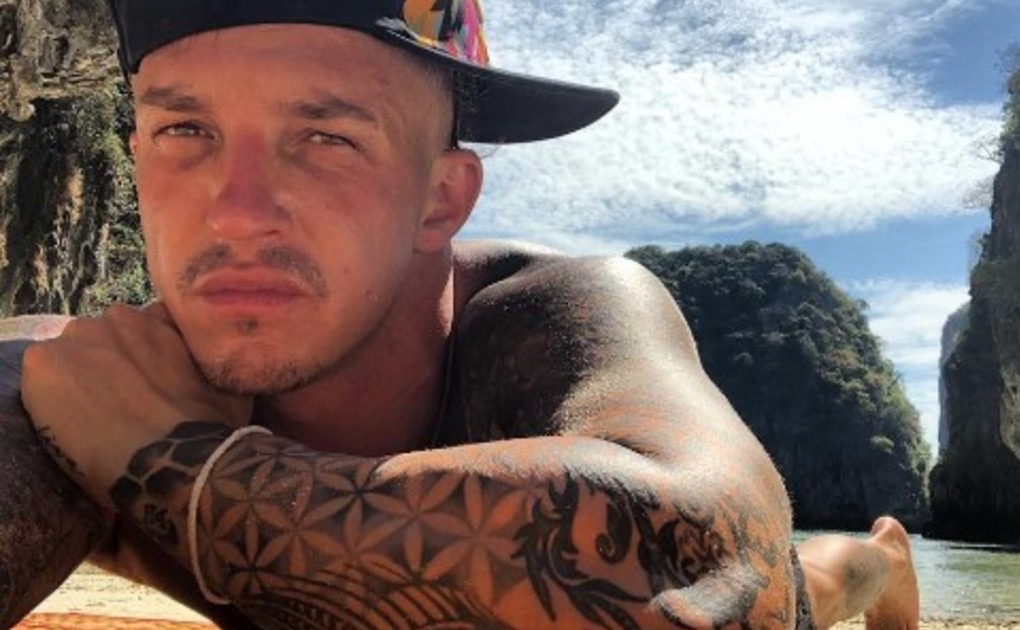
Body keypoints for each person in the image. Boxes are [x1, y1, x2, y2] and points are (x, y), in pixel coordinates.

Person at [0, 0, 919, 628]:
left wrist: (173, 462)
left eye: (324, 138)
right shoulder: (87, 381)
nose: (235, 214)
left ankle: (883, 559)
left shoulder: (554, 315)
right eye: (184, 131)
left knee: (817, 580)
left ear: (442, 198)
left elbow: (733, 576)